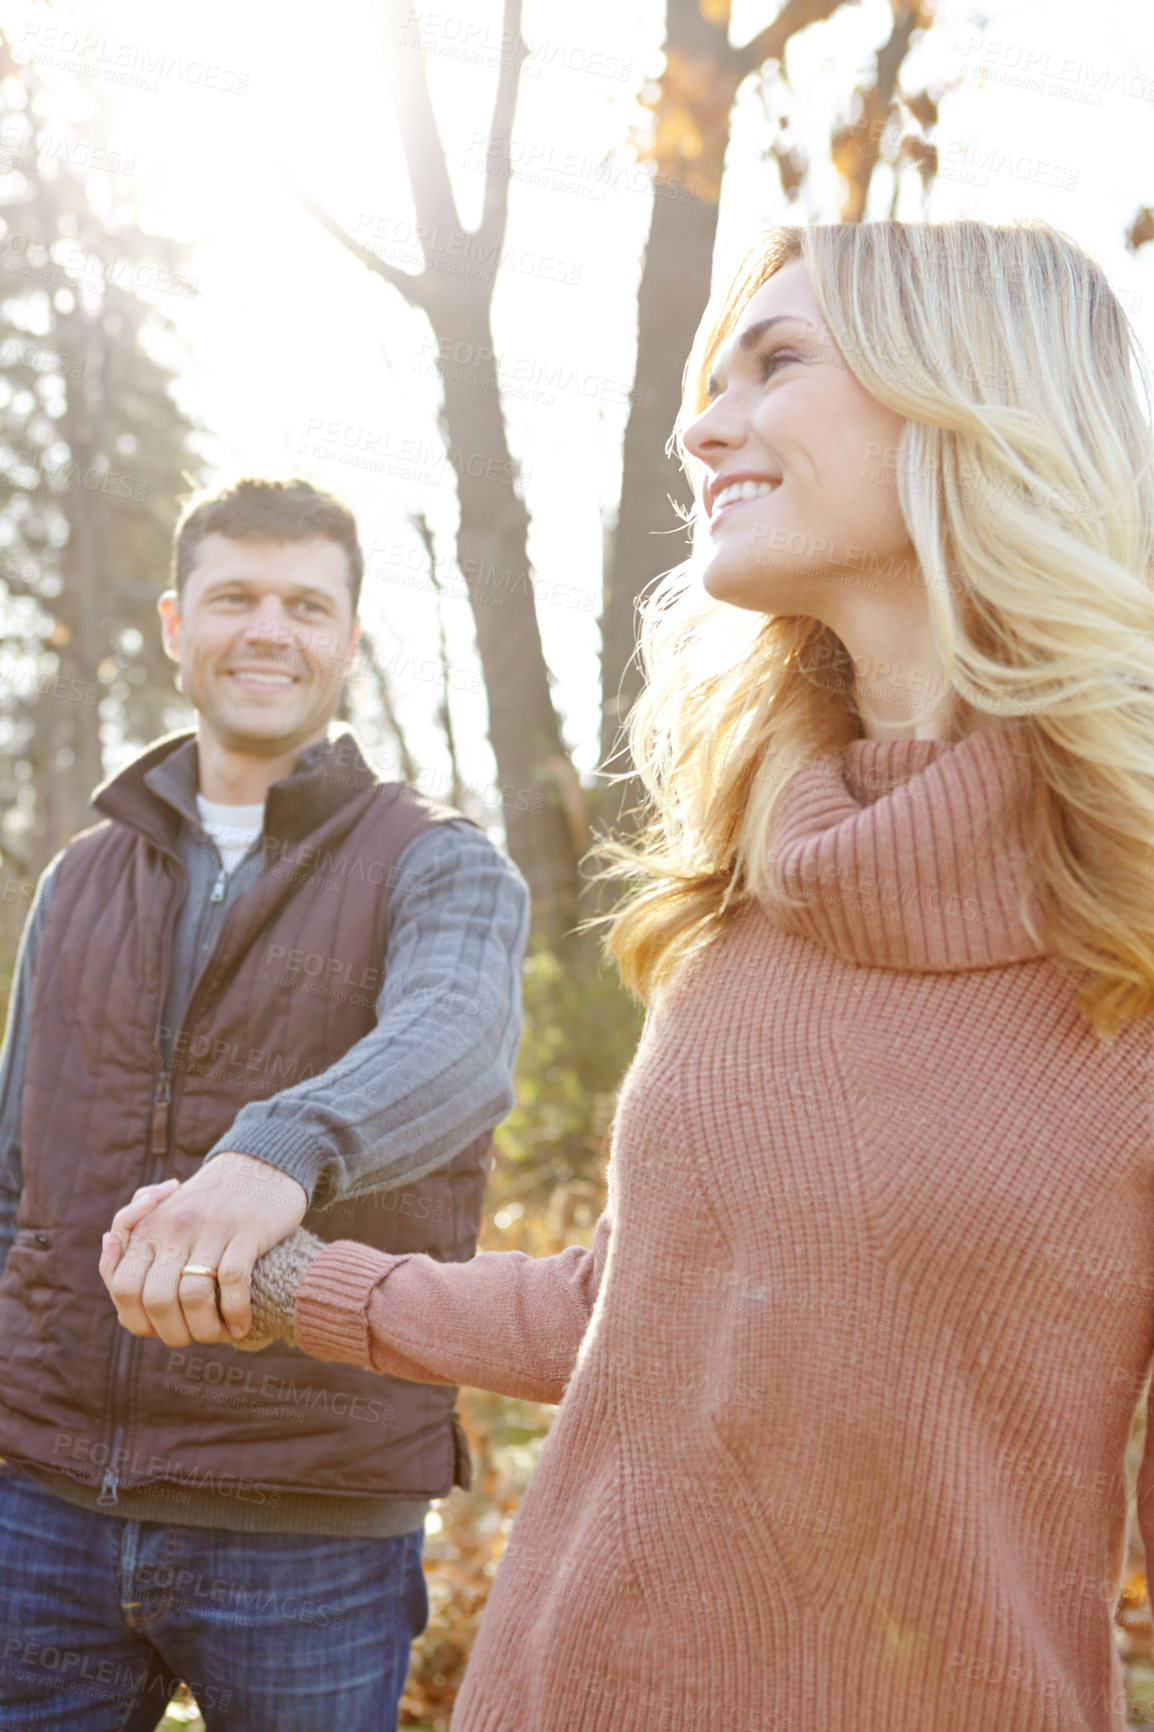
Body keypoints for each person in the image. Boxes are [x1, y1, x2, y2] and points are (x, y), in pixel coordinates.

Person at [107, 219, 1154, 1731]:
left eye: (775, 361)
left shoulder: (1124, 953)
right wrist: (287, 1284)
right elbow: (635, 1306)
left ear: (969, 399)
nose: (697, 424)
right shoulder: (742, 900)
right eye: (706, 378)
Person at [0, 476, 530, 1732]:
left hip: (307, 1516)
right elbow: (19, 1161)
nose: (269, 630)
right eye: (236, 597)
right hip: (41, 1508)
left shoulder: (439, 861)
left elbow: (453, 1043)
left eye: (307, 604)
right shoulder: (80, 874)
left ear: (348, 639)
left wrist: (278, 1150)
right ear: (179, 623)